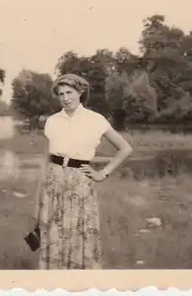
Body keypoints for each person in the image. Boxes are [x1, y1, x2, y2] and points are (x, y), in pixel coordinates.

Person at [33, 73, 134, 270]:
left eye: (69, 92)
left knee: (80, 233)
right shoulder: (52, 121)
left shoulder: (95, 120)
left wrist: (102, 173)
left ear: (80, 92)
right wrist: (38, 198)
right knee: (53, 234)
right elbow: (47, 158)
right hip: (54, 182)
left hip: (80, 182)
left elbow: (125, 148)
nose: (65, 98)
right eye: (61, 94)